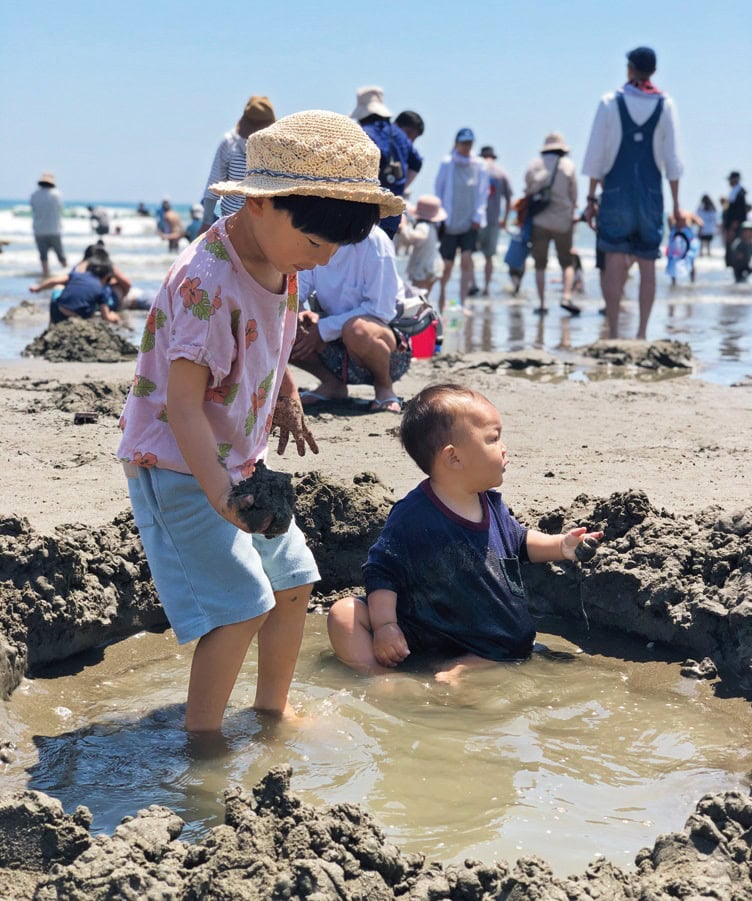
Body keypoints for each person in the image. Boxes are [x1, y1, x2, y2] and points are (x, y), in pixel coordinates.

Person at [116, 110, 403, 734]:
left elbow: (270, 342)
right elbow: (181, 403)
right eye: (314, 242)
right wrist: (218, 493)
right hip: (179, 464)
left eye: (333, 248)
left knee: (295, 581)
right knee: (240, 607)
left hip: (241, 461)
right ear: (262, 204)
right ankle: (204, 740)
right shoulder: (206, 282)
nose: (321, 260)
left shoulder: (285, 261)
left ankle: (271, 712)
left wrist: (285, 397)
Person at [327, 383, 603, 680]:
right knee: (344, 614)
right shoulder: (412, 516)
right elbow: (382, 571)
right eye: (493, 439)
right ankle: (378, 677)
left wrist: (562, 546)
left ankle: (465, 669)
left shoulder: (491, 504)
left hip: (495, 637)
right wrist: (385, 627)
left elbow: (520, 542)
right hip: (434, 629)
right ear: (454, 458)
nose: (504, 447)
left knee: (497, 652)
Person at [582, 46, 684, 339]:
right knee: (648, 262)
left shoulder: (610, 102)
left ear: (629, 68)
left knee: (614, 258)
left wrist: (591, 199)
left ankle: (614, 330)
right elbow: (673, 161)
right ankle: (641, 333)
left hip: (615, 191)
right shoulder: (665, 104)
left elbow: (595, 157)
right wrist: (676, 206)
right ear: (653, 71)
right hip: (651, 194)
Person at [292, 224, 411, 414]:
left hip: (386, 348)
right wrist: (299, 314)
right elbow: (294, 292)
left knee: (357, 330)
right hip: (333, 345)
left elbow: (382, 310)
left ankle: (384, 387)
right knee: (282, 325)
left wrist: (323, 329)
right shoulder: (314, 236)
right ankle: (332, 385)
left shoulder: (375, 241)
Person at [352, 87, 423, 239]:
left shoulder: (361, 133)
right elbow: (417, 163)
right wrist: (401, 187)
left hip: (365, 213)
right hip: (392, 213)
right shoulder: (400, 135)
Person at [200, 95, 276, 232]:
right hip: (232, 224)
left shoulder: (276, 146)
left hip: (265, 224)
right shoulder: (229, 142)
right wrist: (206, 222)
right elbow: (214, 184)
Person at [434, 128, 489, 309]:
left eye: (469, 143)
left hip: (470, 222)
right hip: (449, 223)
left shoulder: (479, 165)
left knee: (466, 260)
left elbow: (483, 192)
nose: (467, 147)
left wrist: (478, 215)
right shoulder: (447, 163)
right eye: (464, 143)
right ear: (456, 143)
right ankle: (442, 297)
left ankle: (462, 304)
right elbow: (439, 190)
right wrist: (440, 215)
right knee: (447, 265)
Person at [524, 132, 579, 315]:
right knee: (567, 263)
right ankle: (566, 296)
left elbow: (527, 190)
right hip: (563, 221)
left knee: (540, 264)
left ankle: (542, 304)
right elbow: (574, 196)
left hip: (540, 220)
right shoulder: (568, 166)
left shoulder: (535, 165)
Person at [30, 240, 131, 314]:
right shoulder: (106, 265)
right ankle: (117, 307)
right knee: (117, 287)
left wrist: (38, 288)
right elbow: (127, 284)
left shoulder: (79, 266)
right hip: (102, 306)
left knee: (60, 287)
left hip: (73, 306)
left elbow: (59, 281)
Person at [469, 146, 513, 297]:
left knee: (469, 253)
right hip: (493, 220)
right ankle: (486, 287)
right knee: (489, 257)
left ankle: (473, 284)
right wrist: (505, 219)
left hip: (475, 219)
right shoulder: (502, 173)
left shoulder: (476, 169)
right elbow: (508, 199)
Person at [399, 194, 446, 295]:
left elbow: (413, 238)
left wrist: (403, 227)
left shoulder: (423, 227)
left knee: (418, 298)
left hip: (422, 268)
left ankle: (424, 311)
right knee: (425, 297)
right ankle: (428, 310)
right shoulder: (432, 227)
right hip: (433, 266)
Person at [49, 259, 119, 325]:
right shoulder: (102, 288)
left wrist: (38, 289)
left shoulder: (77, 275)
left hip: (57, 313)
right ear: (107, 276)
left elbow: (54, 281)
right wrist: (115, 318)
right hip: (76, 319)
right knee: (92, 310)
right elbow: (106, 317)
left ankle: (51, 324)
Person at [30, 172, 67, 278]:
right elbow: (60, 208)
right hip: (54, 229)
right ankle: (67, 274)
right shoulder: (56, 194)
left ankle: (46, 275)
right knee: (60, 255)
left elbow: (33, 208)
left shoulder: (34, 195)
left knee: (43, 256)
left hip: (39, 230)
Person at [722, 172, 748, 269]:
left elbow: (739, 211)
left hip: (736, 226)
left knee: (736, 248)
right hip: (733, 226)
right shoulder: (735, 192)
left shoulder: (739, 193)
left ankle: (741, 268)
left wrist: (734, 225)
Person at [727, 219, 752, 283]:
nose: (748, 233)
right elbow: (733, 250)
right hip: (738, 267)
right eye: (746, 231)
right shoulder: (738, 242)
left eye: (749, 231)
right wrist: (737, 254)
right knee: (739, 281)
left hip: (747, 265)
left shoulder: (750, 242)